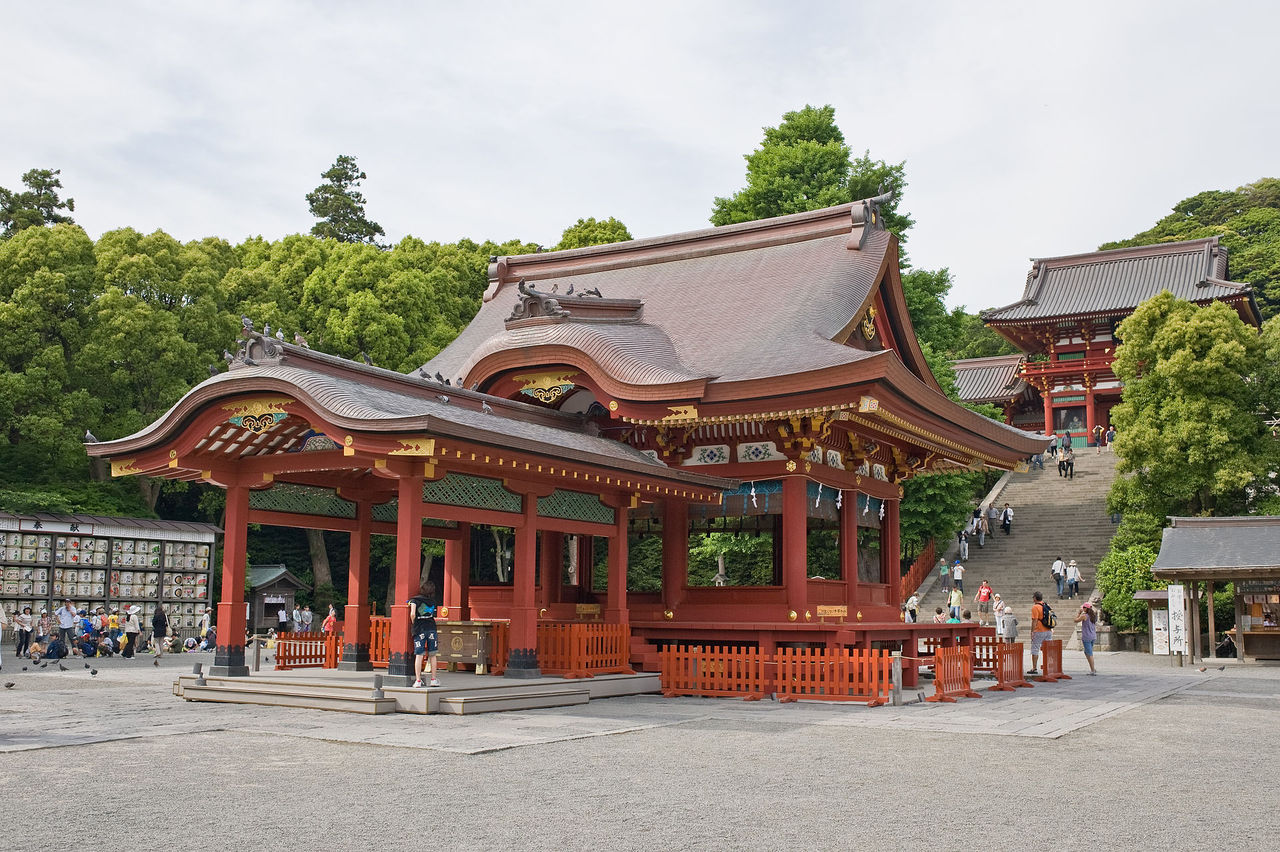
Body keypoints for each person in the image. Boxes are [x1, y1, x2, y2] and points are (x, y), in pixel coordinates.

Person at [408, 580, 440, 688]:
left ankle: (418, 680)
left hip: (419, 629)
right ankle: (433, 679)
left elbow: (412, 614)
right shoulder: (433, 602)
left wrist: (414, 622)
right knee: (433, 654)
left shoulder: (414, 600)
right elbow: (433, 614)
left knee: (419, 654)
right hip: (431, 628)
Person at [1028, 592, 1054, 675]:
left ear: (1035, 598)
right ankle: (1050, 667)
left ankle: (1034, 668)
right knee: (1048, 649)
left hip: (1039, 630)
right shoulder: (1046, 605)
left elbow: (1034, 620)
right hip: (1048, 630)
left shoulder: (1035, 607)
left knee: (1035, 648)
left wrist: (1032, 631)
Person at [1075, 602, 1098, 674]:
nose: (1082, 609)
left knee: (1089, 653)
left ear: (1086, 608)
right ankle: (1092, 667)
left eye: (1084, 607)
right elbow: (1096, 610)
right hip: (1093, 636)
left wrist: (1079, 613)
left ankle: (1093, 670)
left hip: (1087, 637)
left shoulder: (1084, 616)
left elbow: (1075, 620)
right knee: (1087, 652)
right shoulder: (1093, 616)